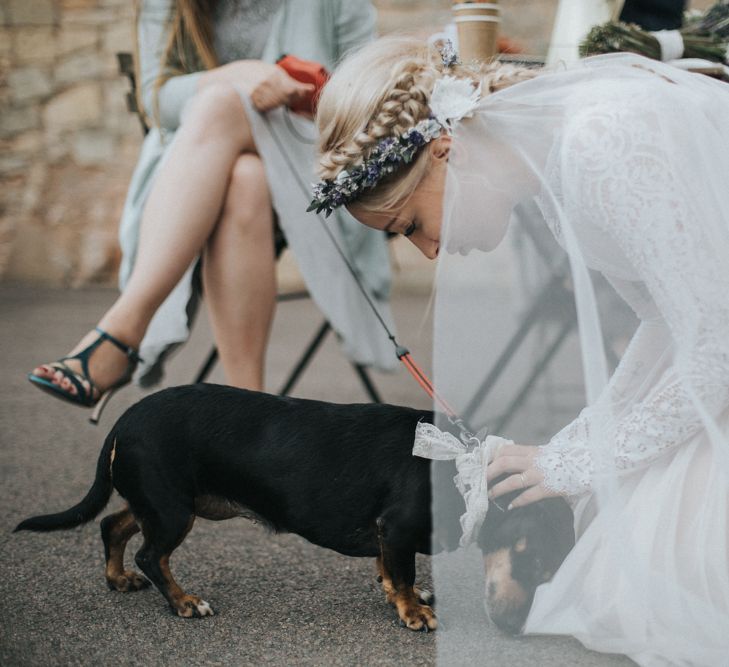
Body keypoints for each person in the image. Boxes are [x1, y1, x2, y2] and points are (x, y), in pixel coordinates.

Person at [312, 36, 729, 665]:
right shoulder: (556, 165)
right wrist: (583, 438)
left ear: (445, 152)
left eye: (409, 225)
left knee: (677, 568)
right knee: (628, 554)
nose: (428, 252)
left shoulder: (596, 145)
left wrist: (586, 462)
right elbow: (665, 319)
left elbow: (717, 340)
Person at [28, 0, 396, 418]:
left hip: (310, 172)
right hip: (201, 184)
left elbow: (365, 101)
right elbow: (156, 103)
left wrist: (296, 90)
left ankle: (120, 334)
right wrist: (233, 76)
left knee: (221, 105)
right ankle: (249, 413)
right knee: (244, 178)